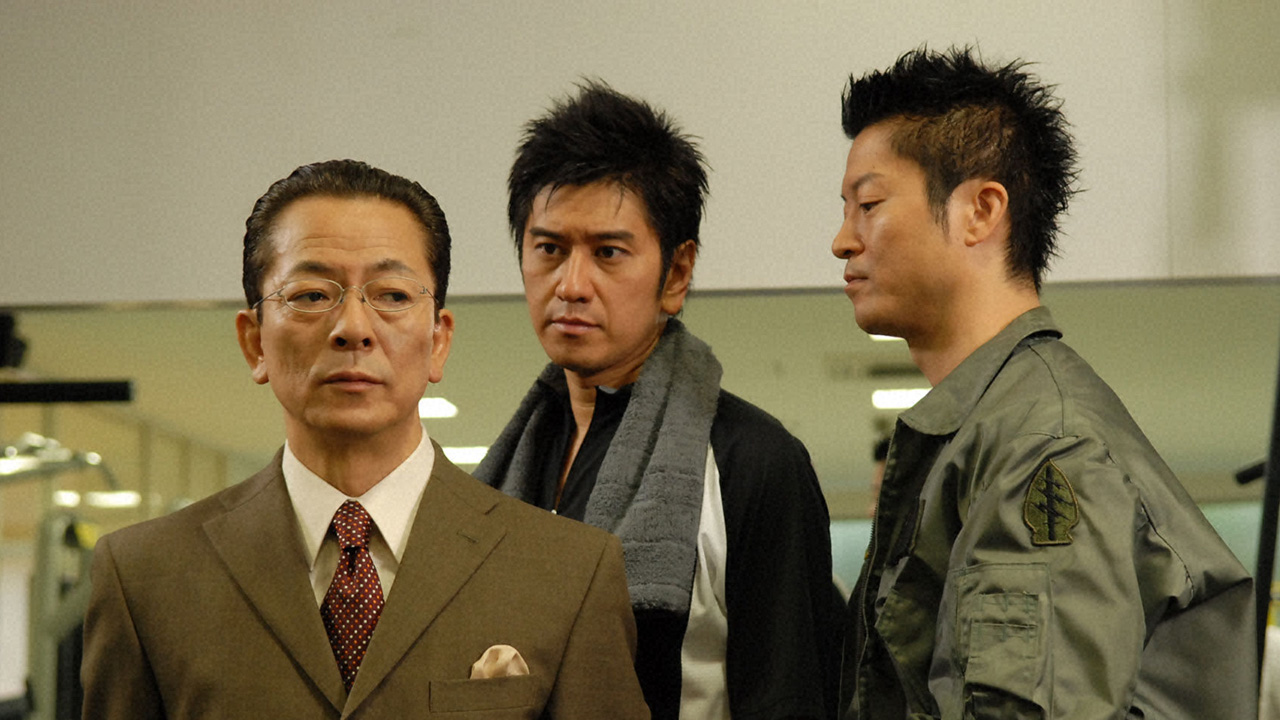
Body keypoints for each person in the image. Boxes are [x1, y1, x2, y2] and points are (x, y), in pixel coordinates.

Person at [80, 159, 649, 719]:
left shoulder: (568, 572)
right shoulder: (146, 576)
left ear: (439, 340)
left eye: (393, 295)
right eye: (310, 295)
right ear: (254, 342)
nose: (353, 328)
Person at [832, 47, 1256, 719]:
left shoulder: (1043, 441)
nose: (843, 241)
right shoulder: (991, 429)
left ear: (981, 211)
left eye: (869, 204)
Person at [476, 82, 839, 719]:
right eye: (550, 249)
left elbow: (791, 699)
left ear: (676, 273)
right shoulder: (506, 471)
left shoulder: (753, 460)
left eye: (608, 253)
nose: (571, 285)